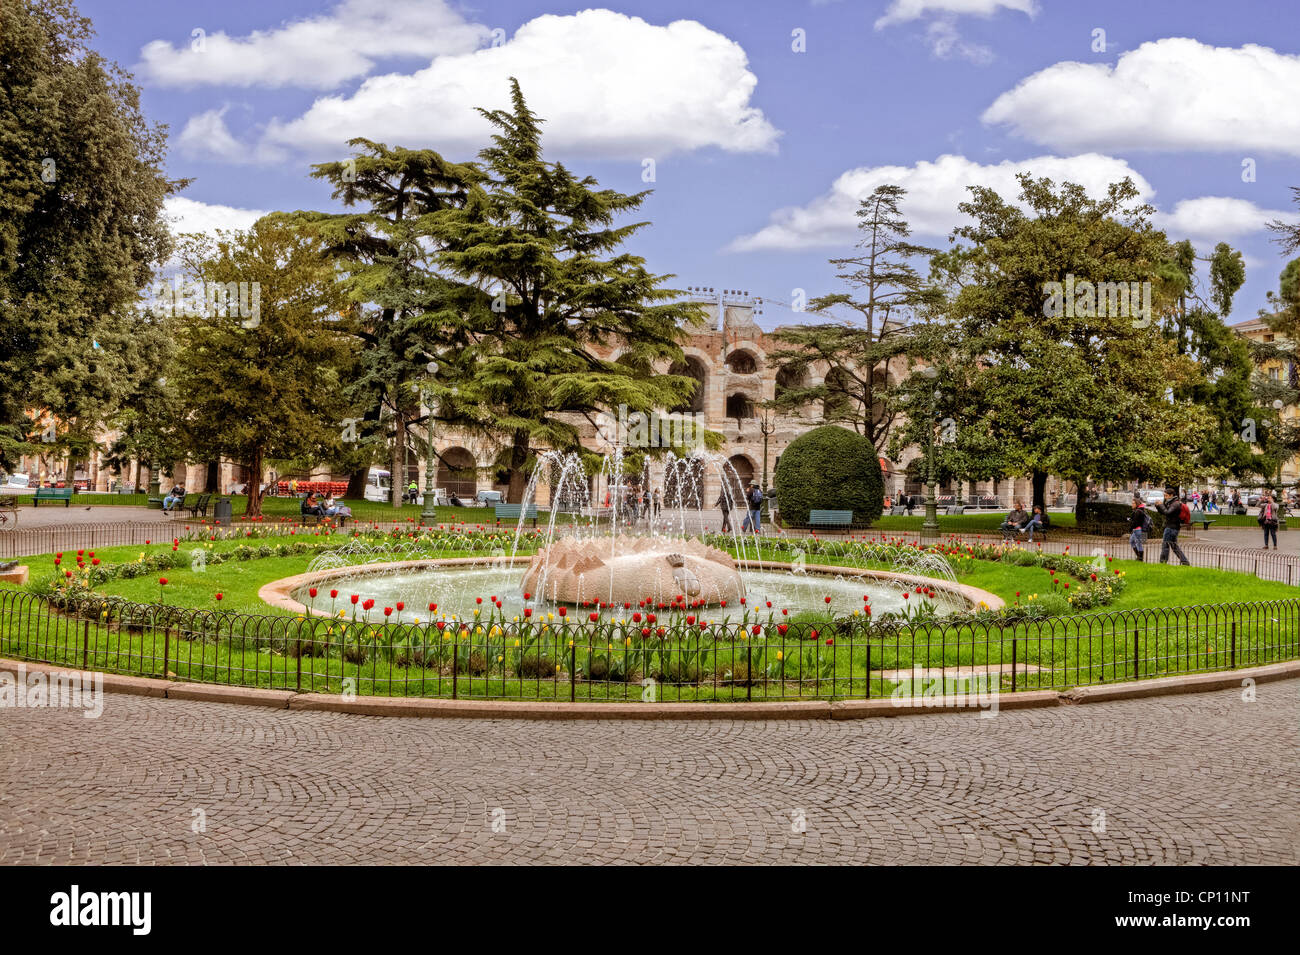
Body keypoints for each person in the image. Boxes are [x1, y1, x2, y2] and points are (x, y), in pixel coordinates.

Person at [1159, 489, 1191, 565]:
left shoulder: (1175, 504)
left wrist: (1161, 505)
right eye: (1164, 495)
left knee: (1165, 545)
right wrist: (1158, 506)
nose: (1165, 497)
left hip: (1171, 528)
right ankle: (1185, 562)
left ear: (1171, 495)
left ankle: (1163, 562)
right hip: (1173, 527)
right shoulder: (1171, 503)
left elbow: (1167, 512)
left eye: (1166, 495)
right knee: (1174, 547)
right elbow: (1164, 512)